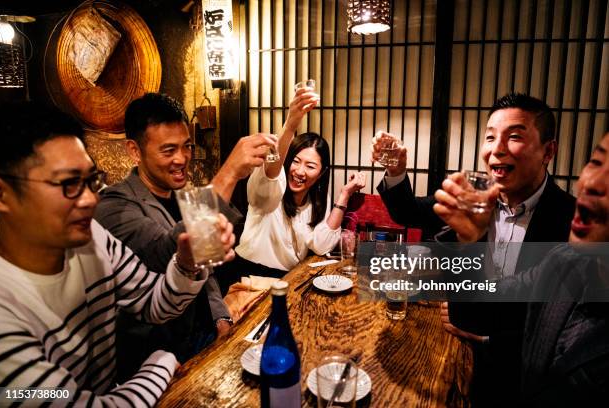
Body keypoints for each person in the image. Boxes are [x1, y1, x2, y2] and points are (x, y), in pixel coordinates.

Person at [0, 101, 235, 406]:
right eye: (69, 184)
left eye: (91, 181)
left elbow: (153, 302)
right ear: (2, 194)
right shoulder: (4, 314)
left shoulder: (91, 239)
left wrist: (187, 265)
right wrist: (158, 365)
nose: (89, 200)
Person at [372, 93, 576, 405]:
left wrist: (486, 338)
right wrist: (396, 169)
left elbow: (560, 329)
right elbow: (408, 212)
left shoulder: (572, 221)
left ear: (548, 151)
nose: (496, 149)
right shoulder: (475, 199)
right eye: (491, 137)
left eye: (515, 137)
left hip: (520, 381)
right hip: (449, 355)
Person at [94, 93, 276, 378]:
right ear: (134, 150)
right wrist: (228, 173)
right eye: (168, 150)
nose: (181, 159)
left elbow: (206, 264)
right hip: (157, 356)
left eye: (186, 146)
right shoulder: (114, 206)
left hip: (203, 333)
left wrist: (221, 316)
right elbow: (168, 253)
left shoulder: (183, 196)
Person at [433, 131, 609, 405]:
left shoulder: (561, 216)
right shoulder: (564, 262)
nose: (592, 183)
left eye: (515, 137)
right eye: (596, 162)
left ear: (548, 153)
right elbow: (475, 310)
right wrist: (468, 242)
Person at [223, 86, 366, 282]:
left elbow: (321, 245)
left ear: (322, 172)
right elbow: (270, 175)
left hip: (289, 280)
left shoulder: (317, 201)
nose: (299, 171)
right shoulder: (273, 189)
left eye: (310, 166)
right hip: (249, 278)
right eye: (296, 161)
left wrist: (344, 195)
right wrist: (291, 124)